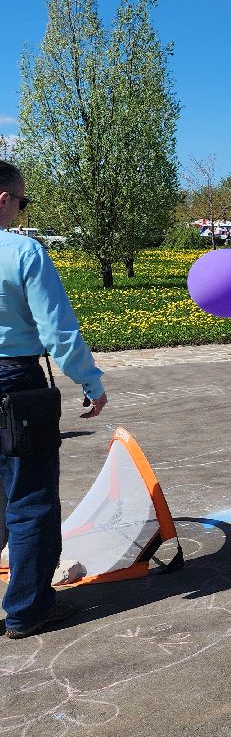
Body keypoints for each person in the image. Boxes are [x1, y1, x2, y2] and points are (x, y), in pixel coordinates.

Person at [0, 161, 107, 639]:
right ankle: (28, 609)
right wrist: (89, 380)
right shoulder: (22, 251)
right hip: (14, 380)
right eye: (22, 201)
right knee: (31, 498)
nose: (21, 210)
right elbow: (57, 330)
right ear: (4, 199)